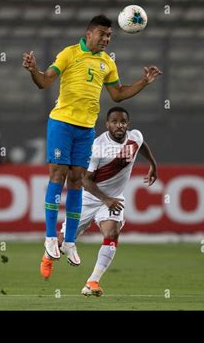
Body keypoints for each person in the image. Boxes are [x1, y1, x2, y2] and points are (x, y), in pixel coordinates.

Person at [22, 15, 162, 272]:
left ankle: (70, 241)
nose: (106, 39)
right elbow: (44, 82)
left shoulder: (107, 62)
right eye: (102, 34)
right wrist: (33, 69)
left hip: (87, 128)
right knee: (58, 176)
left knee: (77, 180)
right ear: (89, 34)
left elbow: (118, 93)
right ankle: (51, 237)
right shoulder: (69, 54)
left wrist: (144, 82)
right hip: (62, 122)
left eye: (109, 36)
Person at [42, 106, 158, 298]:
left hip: (113, 199)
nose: (119, 125)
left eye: (123, 122)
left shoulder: (135, 137)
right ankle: (48, 255)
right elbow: (84, 180)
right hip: (89, 198)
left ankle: (92, 281)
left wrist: (153, 164)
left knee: (112, 232)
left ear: (127, 124)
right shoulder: (97, 147)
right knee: (63, 243)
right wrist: (106, 199)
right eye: (114, 121)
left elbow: (142, 144)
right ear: (107, 124)